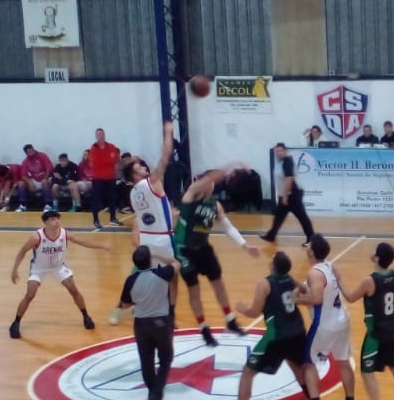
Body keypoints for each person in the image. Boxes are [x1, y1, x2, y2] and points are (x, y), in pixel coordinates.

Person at [222, 251, 326, 400]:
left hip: (277, 336)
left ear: (273, 265)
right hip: (297, 331)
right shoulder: (290, 279)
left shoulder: (265, 283)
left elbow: (255, 312)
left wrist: (242, 309)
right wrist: (296, 298)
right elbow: (303, 290)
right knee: (297, 365)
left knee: (248, 372)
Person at [173, 167, 259, 345]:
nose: (213, 184)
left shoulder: (215, 204)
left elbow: (228, 227)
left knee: (219, 284)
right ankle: (203, 328)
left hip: (204, 248)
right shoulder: (191, 196)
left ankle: (230, 320)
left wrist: (245, 245)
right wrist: (230, 167)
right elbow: (207, 180)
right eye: (210, 181)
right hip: (184, 251)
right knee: (194, 291)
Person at [339, 241, 394, 400]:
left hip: (377, 334)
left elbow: (350, 297)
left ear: (378, 258)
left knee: (367, 371)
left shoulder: (370, 281)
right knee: (393, 363)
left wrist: (339, 280)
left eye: (375, 251)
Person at [111, 122, 177, 325]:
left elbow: (144, 217)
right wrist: (168, 133)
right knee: (171, 276)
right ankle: (169, 314)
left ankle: (124, 307)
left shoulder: (133, 193)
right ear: (136, 174)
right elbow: (165, 156)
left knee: (143, 275)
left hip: (147, 239)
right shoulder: (152, 182)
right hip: (162, 238)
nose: (143, 166)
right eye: (139, 166)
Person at [8, 210, 107, 339]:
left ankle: (86, 316)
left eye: (57, 219)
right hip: (39, 268)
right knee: (30, 294)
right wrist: (14, 270)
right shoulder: (36, 237)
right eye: (53, 219)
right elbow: (22, 251)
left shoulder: (65, 234)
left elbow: (84, 242)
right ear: (46, 222)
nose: (57, 221)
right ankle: (15, 323)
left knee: (73, 289)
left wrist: (102, 246)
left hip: (58, 267)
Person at [301, 235, 356, 400]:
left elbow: (317, 298)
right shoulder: (330, 267)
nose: (306, 246)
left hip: (324, 324)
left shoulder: (314, 273)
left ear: (311, 251)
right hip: (342, 319)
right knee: (344, 361)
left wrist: (297, 300)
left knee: (307, 362)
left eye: (308, 244)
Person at [119, 246, 177, 400]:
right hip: (161, 323)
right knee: (165, 359)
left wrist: (140, 301)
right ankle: (156, 394)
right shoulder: (162, 273)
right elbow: (176, 263)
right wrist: (159, 254)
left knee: (146, 360)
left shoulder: (130, 280)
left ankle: (152, 392)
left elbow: (125, 304)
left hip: (140, 325)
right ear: (150, 259)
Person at [260, 142, 315, 246]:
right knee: (279, 216)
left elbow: (289, 179)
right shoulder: (280, 162)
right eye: (276, 151)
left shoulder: (287, 161)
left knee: (301, 216)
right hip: (286, 194)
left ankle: (311, 238)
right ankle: (271, 235)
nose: (278, 153)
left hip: (293, 194)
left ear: (285, 151)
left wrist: (286, 195)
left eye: (280, 151)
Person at [87, 128, 121, 231]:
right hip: (98, 179)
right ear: (96, 136)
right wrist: (108, 161)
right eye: (98, 134)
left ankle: (113, 218)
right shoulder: (93, 149)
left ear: (104, 135)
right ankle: (96, 220)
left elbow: (116, 160)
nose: (100, 136)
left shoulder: (111, 146)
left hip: (110, 178)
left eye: (102, 134)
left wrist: (108, 162)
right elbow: (96, 163)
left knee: (112, 198)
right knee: (96, 200)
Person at [12, 144, 53, 211]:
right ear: (26, 153)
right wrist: (30, 182)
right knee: (21, 183)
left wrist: (45, 178)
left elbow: (49, 168)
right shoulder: (25, 161)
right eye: (29, 151)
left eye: (32, 150)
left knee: (45, 182)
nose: (31, 152)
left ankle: (48, 205)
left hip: (45, 177)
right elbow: (23, 175)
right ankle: (22, 205)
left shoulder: (42, 155)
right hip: (34, 179)